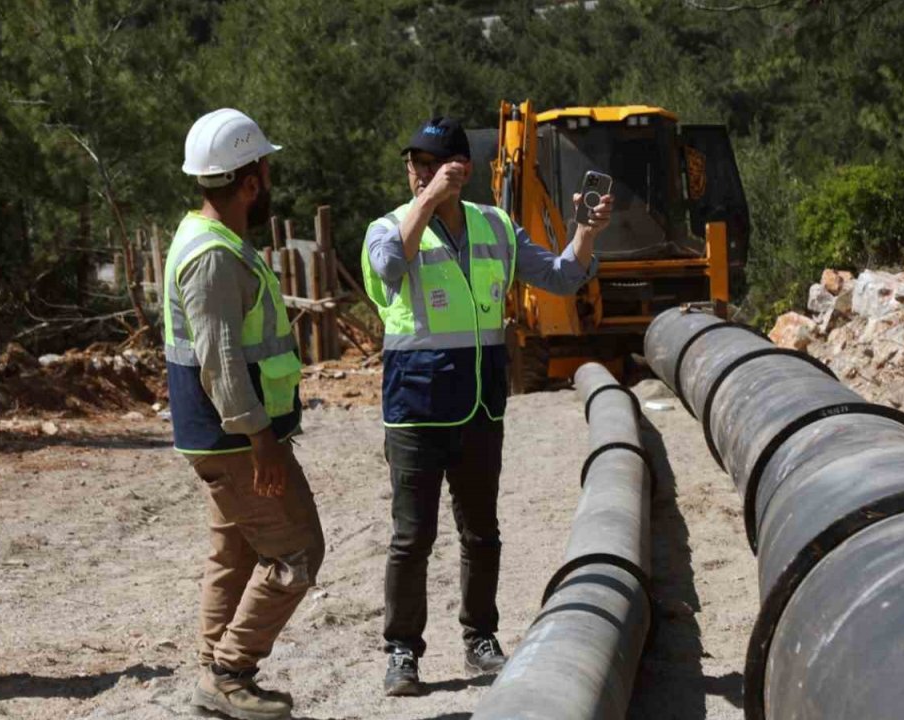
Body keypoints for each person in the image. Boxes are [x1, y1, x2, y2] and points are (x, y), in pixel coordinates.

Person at [361, 116, 613, 696]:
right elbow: (389, 271)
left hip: (479, 406)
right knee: (411, 538)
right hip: (415, 409)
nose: (418, 174)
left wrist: (586, 233)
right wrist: (424, 202)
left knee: (481, 533)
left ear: (463, 169)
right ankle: (402, 651)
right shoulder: (388, 227)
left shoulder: (495, 226)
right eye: (413, 165)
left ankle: (480, 638)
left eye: (432, 165)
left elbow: (561, 276)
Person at [166, 108, 325, 720]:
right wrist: (262, 441)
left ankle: (215, 675)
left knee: (234, 554)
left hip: (224, 436)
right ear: (250, 179)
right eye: (266, 166)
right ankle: (230, 674)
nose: (270, 176)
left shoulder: (210, 239)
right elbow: (221, 363)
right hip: (235, 439)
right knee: (297, 553)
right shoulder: (213, 256)